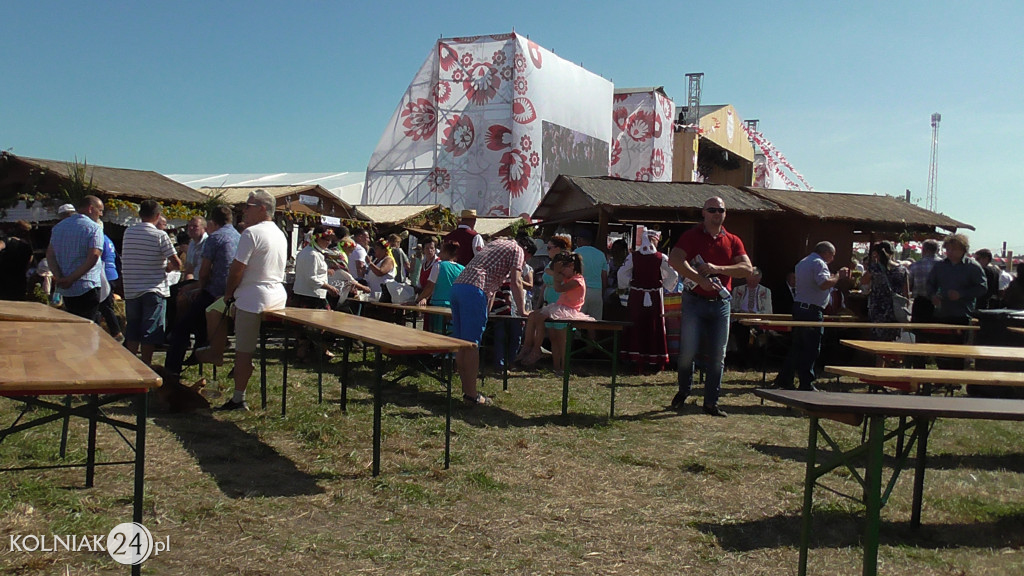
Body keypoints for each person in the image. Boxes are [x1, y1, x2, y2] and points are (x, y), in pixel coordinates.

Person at [668, 197, 752, 417]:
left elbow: (747, 269)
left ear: (725, 214)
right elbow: (675, 259)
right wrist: (699, 278)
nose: (717, 213)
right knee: (687, 352)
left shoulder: (733, 240)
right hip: (694, 301)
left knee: (718, 355)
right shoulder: (691, 236)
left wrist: (717, 268)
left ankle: (711, 402)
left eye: (721, 210)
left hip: (721, 304)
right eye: (712, 209)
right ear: (703, 213)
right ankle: (684, 391)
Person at [218, 189, 288, 411]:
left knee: (243, 350)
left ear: (261, 209)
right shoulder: (279, 233)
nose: (244, 210)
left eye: (248, 206)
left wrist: (229, 293)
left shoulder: (251, 233)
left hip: (253, 297)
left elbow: (237, 268)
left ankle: (239, 397)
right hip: (277, 295)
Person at [450, 238, 526, 406]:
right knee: (471, 345)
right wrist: (523, 311)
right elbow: (517, 281)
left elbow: (490, 289)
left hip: (458, 287)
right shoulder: (517, 250)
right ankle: (471, 395)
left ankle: (466, 390)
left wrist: (486, 311)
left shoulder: (494, 245)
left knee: (461, 344)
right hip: (474, 290)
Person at [167, 205, 241, 377]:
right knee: (197, 316)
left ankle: (171, 370)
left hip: (215, 291)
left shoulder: (215, 238)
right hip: (234, 291)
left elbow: (205, 270)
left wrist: (199, 287)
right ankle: (201, 346)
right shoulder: (238, 236)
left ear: (211, 222)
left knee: (181, 328)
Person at [774, 242, 850, 391]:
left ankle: (785, 378)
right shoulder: (819, 263)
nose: (833, 259)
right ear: (826, 252)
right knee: (811, 347)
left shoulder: (802, 262)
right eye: (832, 255)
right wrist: (838, 276)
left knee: (798, 346)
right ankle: (806, 382)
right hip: (811, 310)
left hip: (800, 307)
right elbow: (824, 283)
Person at [121, 200, 182, 367]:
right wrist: (168, 268)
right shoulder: (160, 235)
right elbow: (177, 263)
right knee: (150, 330)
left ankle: (130, 365)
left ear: (140, 215)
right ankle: (146, 365)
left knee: (132, 329)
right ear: (157, 216)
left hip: (132, 287)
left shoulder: (128, 233)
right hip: (153, 287)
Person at [517, 251, 592, 365]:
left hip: (568, 310)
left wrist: (557, 273)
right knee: (534, 316)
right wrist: (557, 271)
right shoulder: (567, 276)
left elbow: (559, 288)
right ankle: (529, 346)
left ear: (571, 266)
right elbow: (548, 270)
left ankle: (562, 366)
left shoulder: (577, 281)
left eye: (563, 270)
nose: (562, 273)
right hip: (557, 307)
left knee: (560, 341)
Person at [923, 233, 987, 369]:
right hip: (941, 313)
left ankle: (954, 381)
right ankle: (942, 378)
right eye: (948, 249)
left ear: (963, 249)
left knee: (958, 351)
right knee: (940, 350)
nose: (950, 252)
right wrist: (932, 295)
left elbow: (982, 288)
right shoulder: (940, 266)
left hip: (962, 315)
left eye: (954, 249)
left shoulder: (973, 266)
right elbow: (930, 284)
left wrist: (961, 294)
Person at [618, 229, 678, 373]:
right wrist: (665, 284)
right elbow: (673, 273)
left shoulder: (634, 257)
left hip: (637, 296)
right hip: (655, 296)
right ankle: (654, 360)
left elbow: (621, 273)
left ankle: (635, 359)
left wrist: (628, 284)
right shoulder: (660, 257)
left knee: (636, 324)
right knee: (654, 325)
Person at [46, 196, 105, 320]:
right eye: (100, 210)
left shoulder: (58, 228)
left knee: (72, 326)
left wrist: (59, 277)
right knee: (89, 327)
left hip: (66, 288)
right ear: (90, 208)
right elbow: (94, 255)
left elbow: (50, 254)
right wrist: (71, 279)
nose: (101, 214)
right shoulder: (94, 228)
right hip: (87, 285)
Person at [291, 225, 341, 361]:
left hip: (311, 294)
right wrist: (329, 287)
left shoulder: (311, 252)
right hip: (311, 295)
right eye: (326, 239)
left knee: (309, 326)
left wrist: (325, 272)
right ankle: (316, 351)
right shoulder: (312, 254)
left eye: (330, 239)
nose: (329, 242)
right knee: (318, 325)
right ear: (317, 239)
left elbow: (312, 272)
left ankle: (310, 351)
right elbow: (311, 278)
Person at [861, 241, 909, 341]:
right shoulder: (902, 269)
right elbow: (906, 292)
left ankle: (878, 357)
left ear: (876, 254)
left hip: (878, 308)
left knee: (877, 338)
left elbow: (863, 281)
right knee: (893, 339)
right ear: (892, 253)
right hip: (895, 309)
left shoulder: (874, 268)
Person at [417, 241, 464, 332]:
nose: (439, 253)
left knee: (437, 333)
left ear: (446, 252)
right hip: (453, 306)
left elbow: (430, 287)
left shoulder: (438, 265)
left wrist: (418, 299)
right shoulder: (462, 268)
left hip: (438, 304)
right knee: (449, 332)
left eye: (441, 251)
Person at [573, 229, 608, 321]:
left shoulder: (576, 253)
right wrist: (602, 292)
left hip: (580, 291)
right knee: (594, 322)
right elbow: (604, 277)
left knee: (577, 321)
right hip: (597, 291)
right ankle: (592, 336)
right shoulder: (600, 254)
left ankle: (578, 335)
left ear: (580, 240)